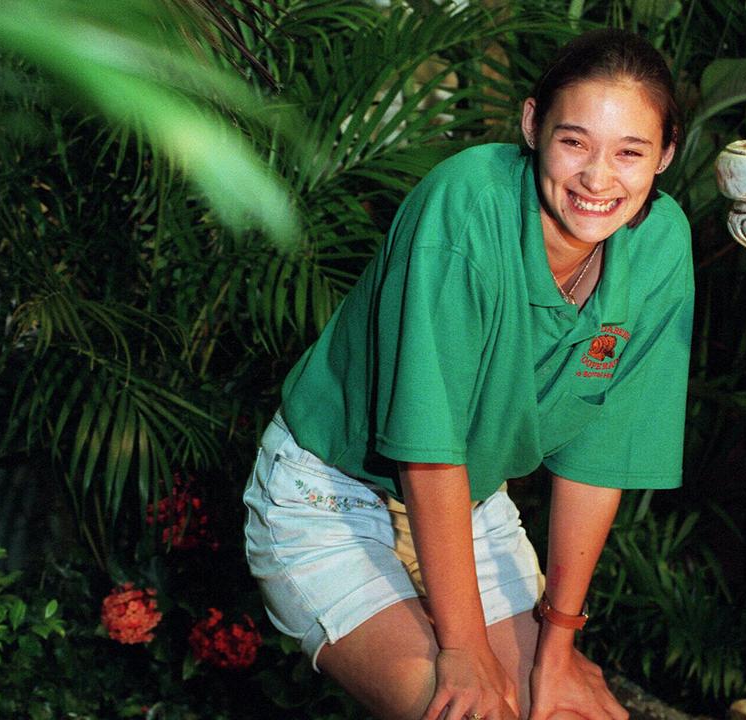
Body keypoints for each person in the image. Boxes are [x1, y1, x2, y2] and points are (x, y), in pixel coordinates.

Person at [243, 29, 692, 720]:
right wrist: (462, 646)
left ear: (663, 156)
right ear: (532, 123)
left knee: (571, 711)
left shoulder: (660, 243)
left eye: (629, 153)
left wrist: (558, 645)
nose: (598, 179)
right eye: (574, 141)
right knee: (466, 711)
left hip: (472, 506)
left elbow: (598, 465)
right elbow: (426, 449)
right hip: (331, 499)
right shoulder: (466, 207)